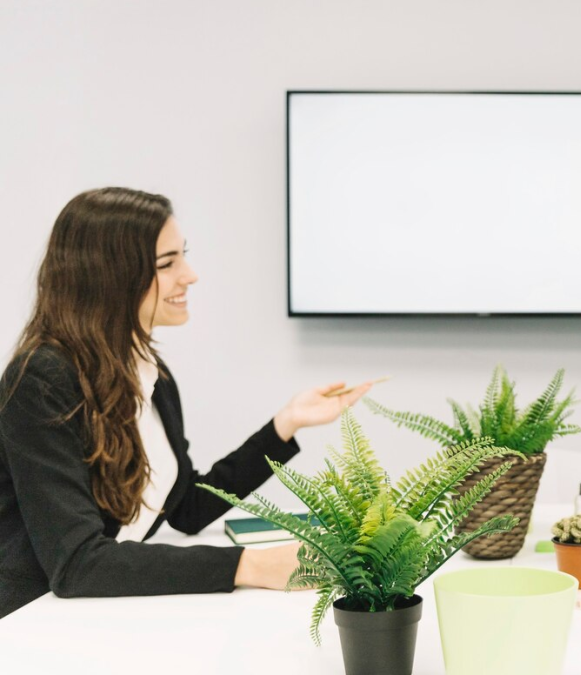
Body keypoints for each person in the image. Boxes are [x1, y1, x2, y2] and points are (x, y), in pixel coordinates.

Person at [0, 187, 371, 619]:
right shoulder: (41, 379)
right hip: (31, 621)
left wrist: (285, 425)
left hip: (96, 613)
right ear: (110, 276)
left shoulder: (150, 375)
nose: (190, 275)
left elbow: (186, 508)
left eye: (183, 256)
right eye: (167, 263)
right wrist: (252, 565)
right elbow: (77, 564)